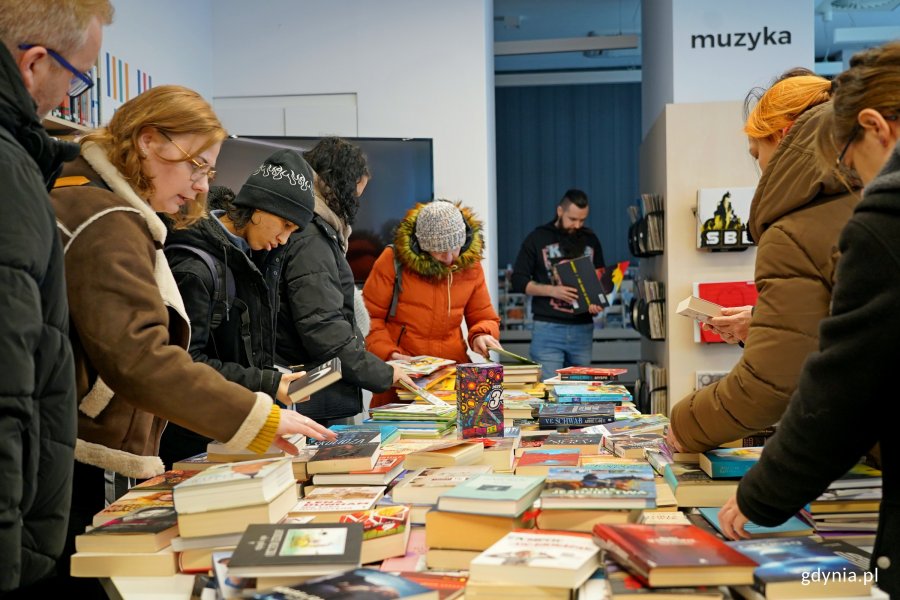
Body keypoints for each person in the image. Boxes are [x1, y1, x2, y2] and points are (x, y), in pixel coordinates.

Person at [49, 85, 335, 591]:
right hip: (91, 456)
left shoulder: (109, 210)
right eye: (195, 166)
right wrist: (261, 416)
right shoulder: (107, 219)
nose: (202, 187)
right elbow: (144, 360)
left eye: (208, 171)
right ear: (148, 141)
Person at [718, 41, 900, 597]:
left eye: (849, 155)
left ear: (875, 128)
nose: (851, 174)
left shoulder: (884, 219)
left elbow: (845, 388)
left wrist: (760, 496)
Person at [666, 71, 859, 453]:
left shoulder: (792, 229)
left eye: (758, 154)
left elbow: (771, 384)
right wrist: (761, 322)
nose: (760, 170)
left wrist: (684, 425)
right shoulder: (864, 193)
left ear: (784, 137)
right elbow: (850, 320)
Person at [0, 0, 111, 594]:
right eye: (79, 76)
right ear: (34, 63)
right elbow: (9, 382)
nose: (72, 98)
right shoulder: (10, 172)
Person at [158, 150, 317, 468]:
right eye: (283, 225)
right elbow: (186, 364)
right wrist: (268, 383)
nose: (283, 239)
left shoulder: (253, 257)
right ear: (260, 208)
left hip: (230, 430)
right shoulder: (195, 268)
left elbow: (241, 348)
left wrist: (274, 378)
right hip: (194, 442)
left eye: (292, 232)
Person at [277, 137, 411, 425]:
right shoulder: (311, 238)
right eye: (356, 193)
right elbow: (323, 330)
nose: (357, 203)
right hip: (313, 393)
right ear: (340, 185)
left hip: (318, 389)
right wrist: (384, 374)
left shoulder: (317, 232)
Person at [364, 199, 502, 408]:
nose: (448, 258)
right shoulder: (392, 260)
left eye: (454, 248)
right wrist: (390, 353)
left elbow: (484, 316)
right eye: (439, 251)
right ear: (421, 245)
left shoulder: (470, 265)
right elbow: (369, 319)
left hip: (453, 377)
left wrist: (482, 334)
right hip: (403, 377)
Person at [511, 189, 606, 380]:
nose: (577, 225)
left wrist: (598, 301)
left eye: (582, 220)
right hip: (548, 328)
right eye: (572, 219)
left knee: (580, 392)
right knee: (550, 389)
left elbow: (601, 279)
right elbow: (518, 281)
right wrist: (552, 290)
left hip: (583, 329)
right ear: (559, 211)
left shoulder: (591, 240)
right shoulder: (537, 238)